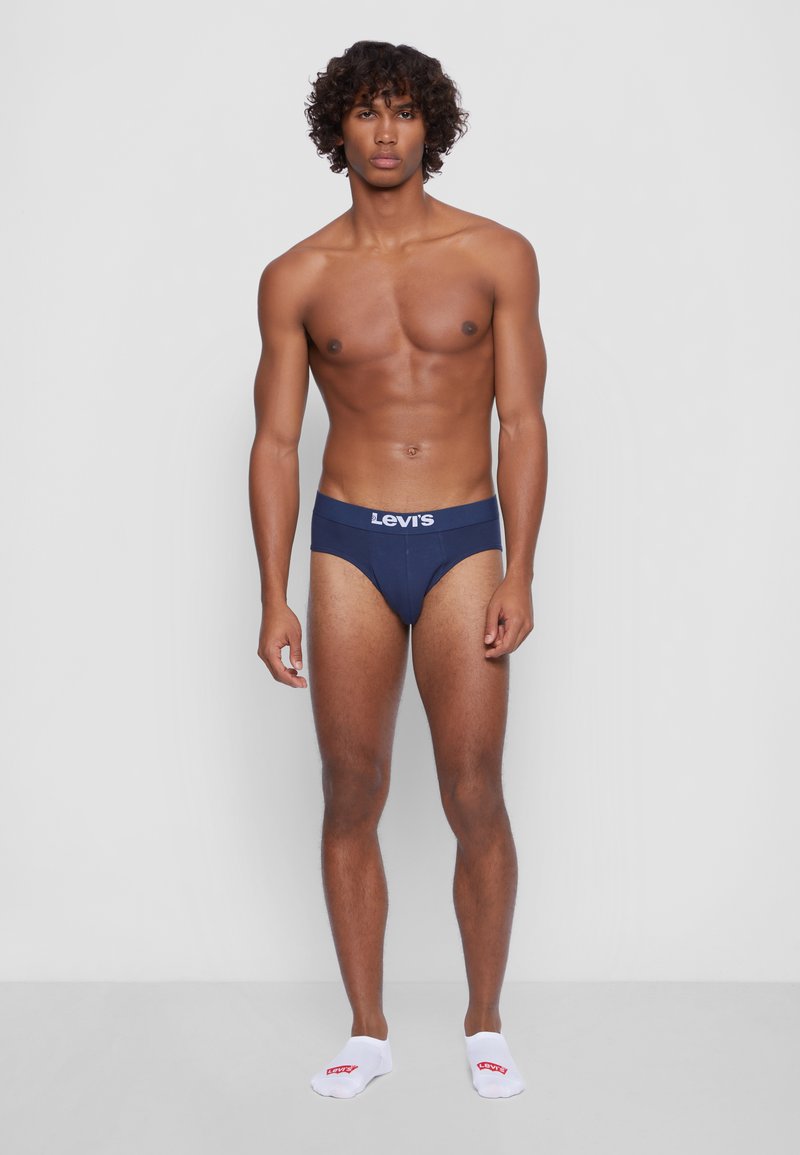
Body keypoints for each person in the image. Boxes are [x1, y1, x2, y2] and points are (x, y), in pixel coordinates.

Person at [248, 40, 547, 1099]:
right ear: (337, 126)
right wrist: (272, 595)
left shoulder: (496, 254)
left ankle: (484, 1022)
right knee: (351, 787)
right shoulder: (297, 276)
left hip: (464, 537)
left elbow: (522, 420)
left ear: (432, 127)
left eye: (405, 112)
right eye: (367, 112)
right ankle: (367, 1031)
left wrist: (519, 571)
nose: (385, 133)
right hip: (349, 546)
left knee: (474, 788)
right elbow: (276, 441)